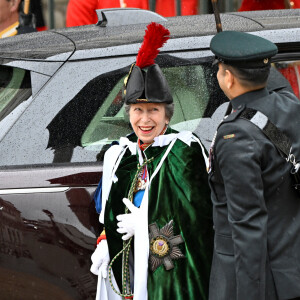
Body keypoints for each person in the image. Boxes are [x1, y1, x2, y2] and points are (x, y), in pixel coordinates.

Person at [90, 22, 212, 300]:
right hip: (128, 271)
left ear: (167, 116)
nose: (145, 120)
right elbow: (108, 213)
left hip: (167, 276)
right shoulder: (120, 155)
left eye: (153, 110)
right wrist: (106, 241)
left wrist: (144, 226)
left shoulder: (184, 151)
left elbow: (198, 221)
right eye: (137, 110)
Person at [208, 30, 300, 300]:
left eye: (221, 69)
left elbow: (248, 227)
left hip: (260, 282)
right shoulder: (290, 105)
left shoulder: (235, 138)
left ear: (229, 78)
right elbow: (274, 84)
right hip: (291, 271)